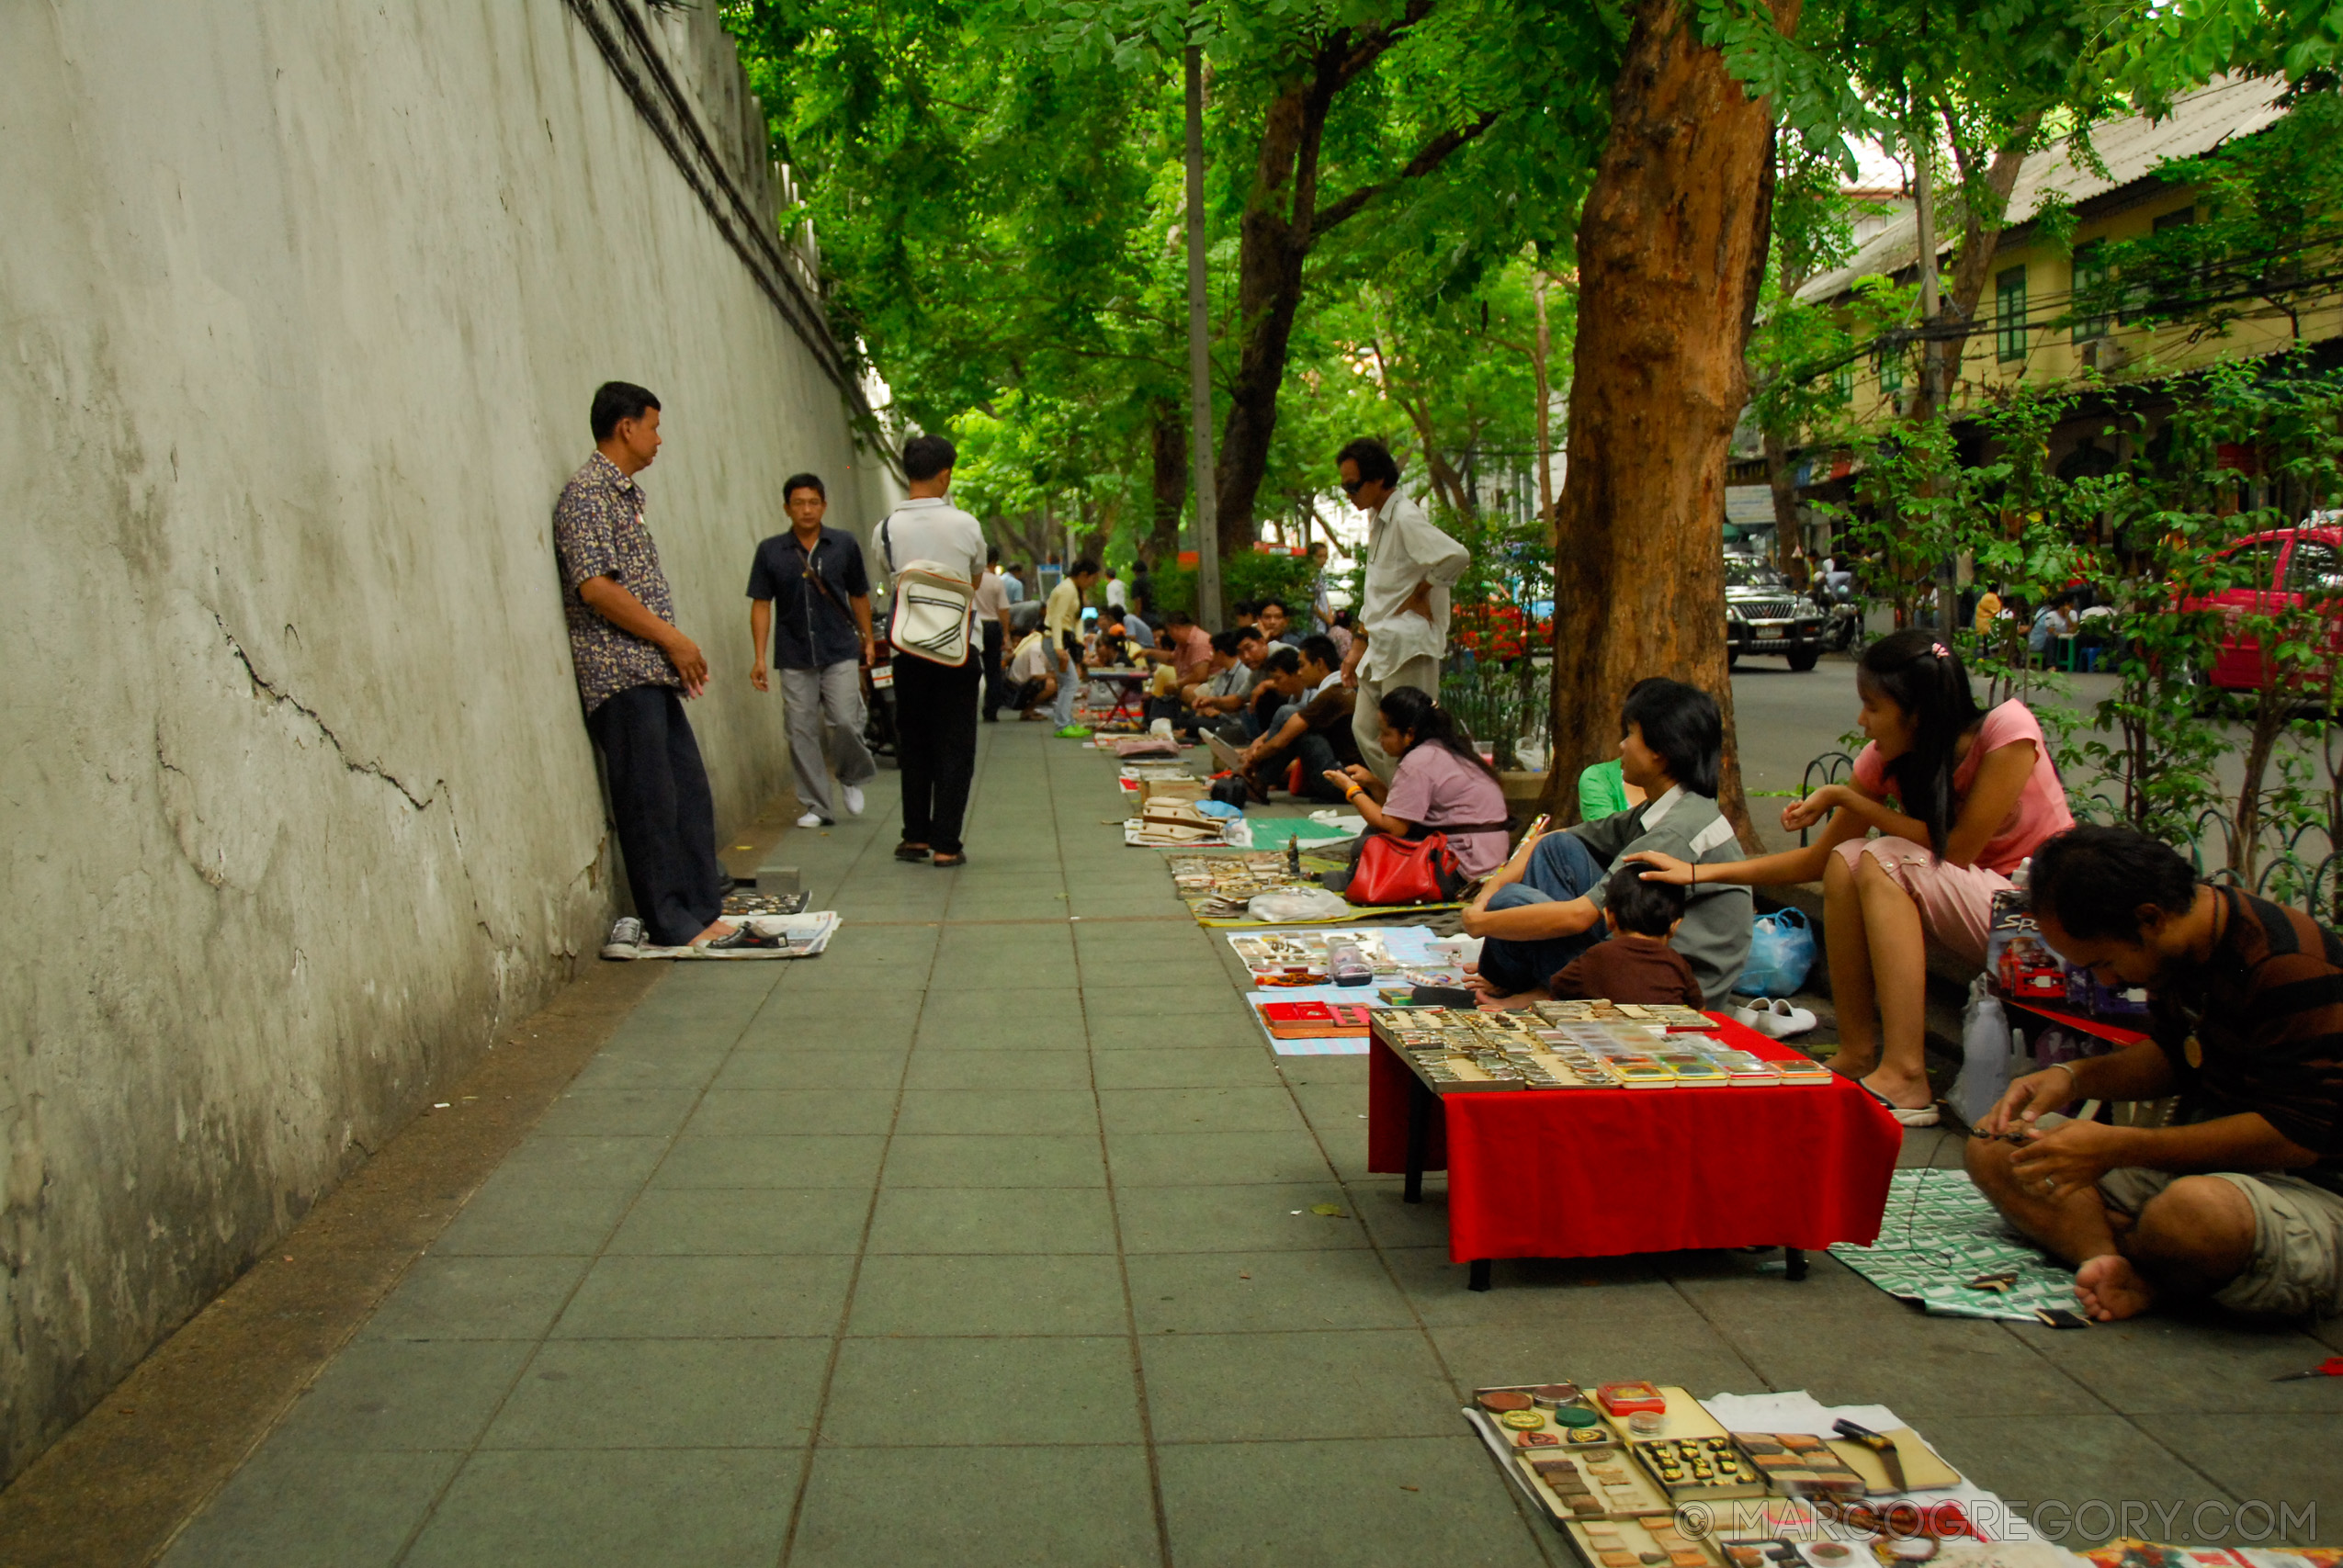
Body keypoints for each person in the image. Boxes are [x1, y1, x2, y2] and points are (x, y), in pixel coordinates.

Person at [1628, 631, 2074, 1123]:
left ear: (1917, 711)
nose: (1862, 722)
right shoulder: (1891, 758)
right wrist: (1698, 871)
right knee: (1848, 858)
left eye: (1873, 707)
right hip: (1976, 908)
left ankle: (1907, 1075)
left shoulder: (2007, 731)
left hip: (2038, 921)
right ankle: (1859, 1052)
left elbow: (1961, 848)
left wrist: (1847, 798)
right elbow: (1817, 861)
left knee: (1884, 858)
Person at [1967, 825, 2343, 1324]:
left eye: (2104, 962)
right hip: (2205, 1162)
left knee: (2192, 1214)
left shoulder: (2288, 963)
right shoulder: (2180, 949)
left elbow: (2296, 1136)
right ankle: (2118, 1263)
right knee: (1995, 1146)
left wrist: (2118, 1146)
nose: (2106, 981)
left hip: (2308, 1188)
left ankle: (2149, 1248)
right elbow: (2176, 1055)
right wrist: (2072, 1077)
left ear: (2151, 918)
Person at [553, 381, 733, 949]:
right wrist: (673, 639)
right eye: (653, 426)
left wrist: (671, 650)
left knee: (686, 793)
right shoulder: (587, 495)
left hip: (650, 671)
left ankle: (702, 909)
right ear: (626, 426)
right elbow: (597, 589)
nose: (659, 439)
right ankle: (672, 919)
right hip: (618, 673)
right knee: (650, 802)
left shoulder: (624, 497)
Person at [1464, 679, 1750, 1009]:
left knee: (1511, 903)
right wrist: (1490, 887)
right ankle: (1539, 982)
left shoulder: (1676, 829)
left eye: (1631, 734)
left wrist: (1480, 921)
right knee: (1555, 852)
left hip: (1668, 986)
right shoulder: (1664, 808)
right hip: (1643, 958)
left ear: (1660, 751)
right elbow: (1554, 838)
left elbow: (1578, 917)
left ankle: (1545, 989)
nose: (1622, 746)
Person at [875, 433, 988, 867]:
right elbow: (973, 580)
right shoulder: (965, 524)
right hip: (957, 650)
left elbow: (889, 578)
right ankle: (946, 844)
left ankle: (915, 837)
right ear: (945, 475)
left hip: (908, 651)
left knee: (915, 741)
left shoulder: (885, 529)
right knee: (956, 745)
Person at [747, 471, 877, 829]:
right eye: (799, 503)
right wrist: (759, 656)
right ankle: (818, 806)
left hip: (839, 647)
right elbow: (760, 604)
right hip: (794, 652)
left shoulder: (844, 545)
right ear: (787, 508)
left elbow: (859, 595)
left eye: (814, 502)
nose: (807, 509)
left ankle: (850, 775)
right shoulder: (771, 551)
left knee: (845, 721)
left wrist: (867, 639)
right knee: (800, 729)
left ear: (824, 505)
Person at [1335, 437, 1469, 781]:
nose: (1349, 495)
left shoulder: (1405, 516)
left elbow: (1456, 556)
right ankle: (1402, 802)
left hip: (1409, 644)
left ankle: (1413, 809)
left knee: (1410, 738)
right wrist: (1356, 649)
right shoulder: (1381, 519)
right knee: (1366, 729)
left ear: (1378, 479)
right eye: (1344, 487)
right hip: (1382, 643)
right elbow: (1378, 594)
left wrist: (1424, 590)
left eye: (1353, 486)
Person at [1323, 685, 1511, 878]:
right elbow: (1401, 813)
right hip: (1486, 856)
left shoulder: (1418, 761)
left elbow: (1394, 828)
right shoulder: (1445, 749)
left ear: (1410, 734)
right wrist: (1373, 783)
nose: (1380, 739)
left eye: (1386, 733)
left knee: (1366, 844)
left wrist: (1352, 790)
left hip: (1463, 865)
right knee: (1372, 835)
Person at [1546, 867, 1704, 1007]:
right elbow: (1699, 1010)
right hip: (1664, 1037)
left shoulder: (1597, 955)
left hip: (1608, 1035)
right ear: (1674, 925)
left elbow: (1558, 987)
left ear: (1609, 917)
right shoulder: (1676, 962)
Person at [1239, 636, 1359, 802]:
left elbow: (1280, 741)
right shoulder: (1339, 688)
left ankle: (1259, 782)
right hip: (1346, 776)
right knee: (1291, 718)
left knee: (1288, 715)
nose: (1300, 672)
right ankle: (1259, 782)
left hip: (1343, 783)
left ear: (1319, 663)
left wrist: (1252, 760)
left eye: (1302, 666)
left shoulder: (1333, 693)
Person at [1043, 557, 1099, 736]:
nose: (1093, 583)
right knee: (1071, 681)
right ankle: (1063, 724)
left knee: (1067, 682)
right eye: (1092, 579)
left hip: (1061, 639)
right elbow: (1057, 618)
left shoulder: (1075, 590)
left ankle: (1066, 721)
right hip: (1054, 639)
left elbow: (1077, 619)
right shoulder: (1067, 589)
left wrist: (1080, 644)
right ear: (1084, 575)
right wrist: (1059, 647)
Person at [975, 546, 1015, 722]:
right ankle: (990, 710)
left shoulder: (969, 578)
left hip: (972, 625)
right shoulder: (995, 581)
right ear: (994, 561)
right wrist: (1006, 634)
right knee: (993, 670)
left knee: (972, 668)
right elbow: (1004, 609)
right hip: (992, 626)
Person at [1003, 623, 1058, 719]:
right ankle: (1027, 711)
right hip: (1015, 690)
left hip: (1027, 683)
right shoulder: (1037, 648)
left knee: (1058, 678)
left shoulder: (1049, 648)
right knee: (1051, 684)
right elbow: (1037, 676)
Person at [1307, 539, 1336, 633]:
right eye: (1319, 556)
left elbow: (1323, 595)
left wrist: (1330, 614)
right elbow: (1311, 602)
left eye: (1325, 556)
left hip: (1325, 622)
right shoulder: (1308, 576)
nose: (1323, 560)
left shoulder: (1319, 574)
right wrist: (1326, 618)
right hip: (1315, 622)